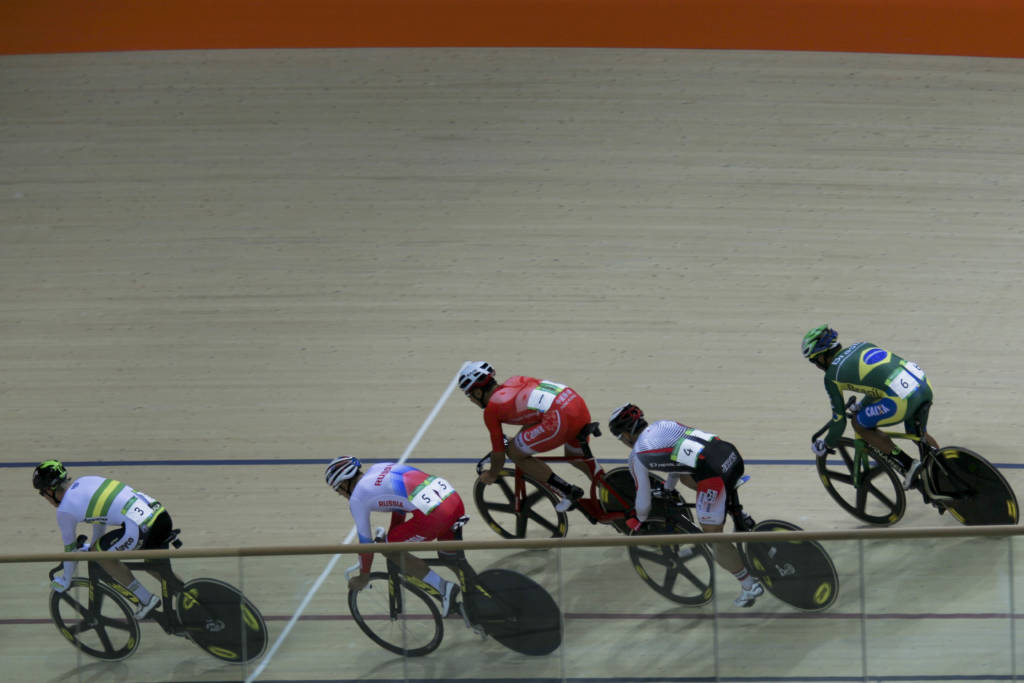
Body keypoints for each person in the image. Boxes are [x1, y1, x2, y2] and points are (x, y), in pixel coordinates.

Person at [608, 404, 765, 608]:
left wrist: (639, 520)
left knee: (713, 539)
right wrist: (668, 488)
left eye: (620, 439)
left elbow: (644, 502)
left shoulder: (637, 455)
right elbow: (679, 460)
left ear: (626, 435)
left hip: (715, 475)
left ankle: (749, 584)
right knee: (686, 477)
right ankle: (739, 514)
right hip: (729, 453)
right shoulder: (664, 425)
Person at [801, 325, 939, 490]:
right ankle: (945, 467)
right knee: (918, 434)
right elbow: (880, 382)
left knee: (858, 424)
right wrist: (862, 405)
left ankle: (908, 465)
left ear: (822, 357)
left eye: (814, 360)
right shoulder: (862, 345)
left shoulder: (831, 376)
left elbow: (839, 422)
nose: (816, 365)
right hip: (922, 383)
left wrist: (826, 444)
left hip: (901, 399)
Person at [34, 459, 175, 618]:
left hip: (140, 525)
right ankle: (189, 595)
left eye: (42, 493)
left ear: (49, 490)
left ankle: (146, 599)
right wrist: (94, 546)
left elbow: (70, 551)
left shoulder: (65, 510)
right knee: (154, 567)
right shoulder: (85, 481)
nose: (44, 497)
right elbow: (100, 520)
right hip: (159, 514)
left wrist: (65, 580)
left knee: (102, 557)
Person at [326, 455, 464, 617]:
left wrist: (364, 576)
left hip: (435, 516)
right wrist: (392, 537)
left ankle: (444, 588)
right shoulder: (379, 468)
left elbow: (365, 545)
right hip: (451, 498)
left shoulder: (357, 498)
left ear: (344, 484)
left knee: (389, 550)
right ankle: (474, 593)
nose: (342, 495)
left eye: (338, 491)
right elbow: (399, 505)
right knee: (450, 558)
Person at [458, 361, 593, 512]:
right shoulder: (515, 380)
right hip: (575, 403)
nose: (471, 399)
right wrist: (514, 442)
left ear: (478, 392)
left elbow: (499, 454)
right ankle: (608, 487)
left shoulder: (491, 410)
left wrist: (492, 474)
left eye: (469, 395)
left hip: (559, 418)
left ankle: (567, 491)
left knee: (514, 453)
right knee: (576, 458)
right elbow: (535, 417)